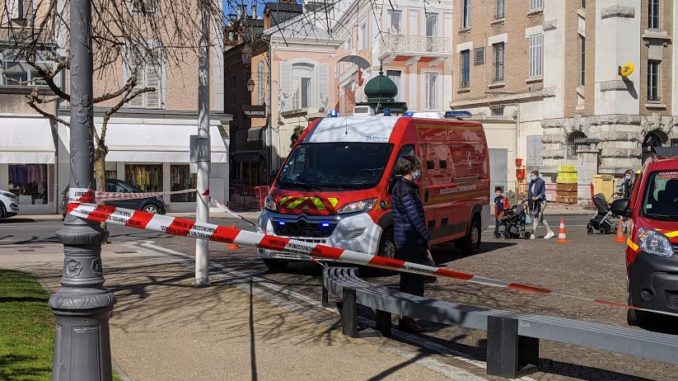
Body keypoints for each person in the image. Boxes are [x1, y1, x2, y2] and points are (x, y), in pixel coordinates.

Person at [391, 155, 430, 333]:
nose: (419, 172)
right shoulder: (405, 189)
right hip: (410, 240)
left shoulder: (402, 187)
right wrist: (426, 236)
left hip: (406, 239)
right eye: (417, 168)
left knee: (408, 280)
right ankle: (408, 318)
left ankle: (407, 317)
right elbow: (414, 217)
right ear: (410, 169)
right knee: (413, 281)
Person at [528, 170, 555, 240]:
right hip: (535, 202)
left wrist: (537, 197)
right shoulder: (532, 182)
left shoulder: (541, 182)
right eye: (531, 175)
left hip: (541, 202)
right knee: (541, 219)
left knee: (536, 217)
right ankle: (550, 232)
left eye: (533, 175)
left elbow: (543, 192)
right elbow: (530, 192)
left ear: (537, 175)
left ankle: (532, 234)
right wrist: (529, 198)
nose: (532, 177)